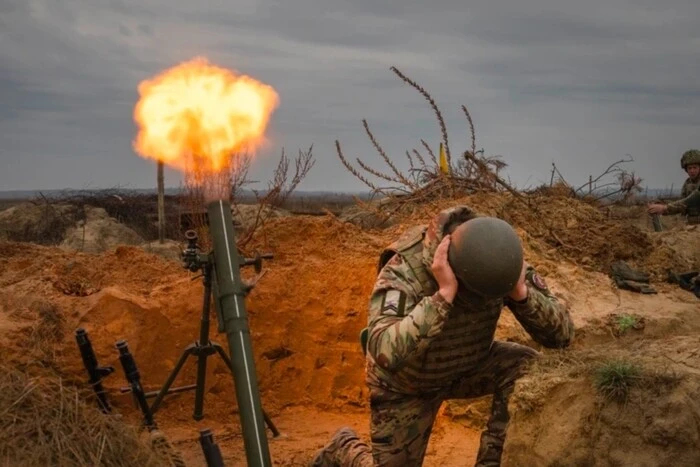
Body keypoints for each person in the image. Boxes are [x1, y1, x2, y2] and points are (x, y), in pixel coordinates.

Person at [310, 206, 575, 467]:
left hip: (467, 365)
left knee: (525, 364)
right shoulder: (405, 269)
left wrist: (520, 294)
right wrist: (444, 295)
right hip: (407, 384)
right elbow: (383, 351)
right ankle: (343, 447)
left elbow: (562, 336)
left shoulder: (498, 259)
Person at [648, 149, 700, 225]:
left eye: (695, 167)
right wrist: (662, 204)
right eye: (689, 168)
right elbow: (682, 203)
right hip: (692, 226)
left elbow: (691, 200)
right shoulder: (687, 183)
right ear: (686, 169)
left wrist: (664, 208)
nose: (692, 171)